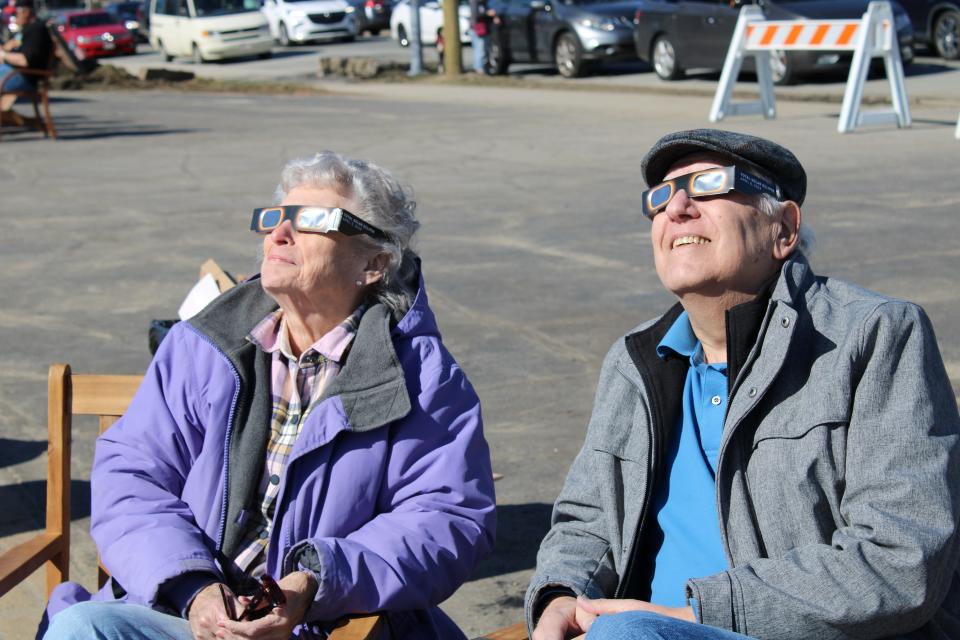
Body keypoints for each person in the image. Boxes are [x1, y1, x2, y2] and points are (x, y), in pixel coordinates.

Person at [41, 152, 497, 640]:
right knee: (84, 627)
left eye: (313, 221)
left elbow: (446, 518)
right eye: (275, 218)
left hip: (324, 627)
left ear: (374, 263)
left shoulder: (422, 376)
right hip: (183, 615)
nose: (279, 234)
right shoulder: (204, 347)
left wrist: (316, 582)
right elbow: (131, 476)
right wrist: (194, 588)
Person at [525, 129, 960, 640]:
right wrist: (560, 594)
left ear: (784, 228)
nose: (677, 207)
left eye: (709, 185)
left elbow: (900, 561)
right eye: (660, 196)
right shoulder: (635, 361)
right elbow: (587, 522)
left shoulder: (874, 335)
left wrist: (693, 615)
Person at [0, 0, 52, 121]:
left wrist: (3, 55)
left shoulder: (36, 30)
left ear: (26, 12)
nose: (15, 18)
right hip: (14, 73)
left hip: (25, 77)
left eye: (16, 14)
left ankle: (15, 119)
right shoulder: (27, 29)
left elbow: (25, 60)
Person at [468, 0, 490, 73]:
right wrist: (487, 13)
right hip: (478, 29)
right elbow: (476, 15)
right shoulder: (476, 2)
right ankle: (479, 69)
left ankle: (479, 68)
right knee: (480, 50)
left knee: (479, 50)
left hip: (476, 28)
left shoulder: (481, 3)